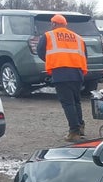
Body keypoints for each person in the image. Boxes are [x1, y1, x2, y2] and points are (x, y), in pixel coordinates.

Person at [36, 14, 88, 142]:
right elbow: (85, 55)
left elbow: (40, 51)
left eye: (51, 24)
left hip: (61, 72)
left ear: (54, 24)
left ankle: (74, 132)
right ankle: (80, 126)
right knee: (76, 101)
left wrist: (54, 60)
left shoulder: (48, 35)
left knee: (68, 103)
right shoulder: (78, 37)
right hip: (77, 72)